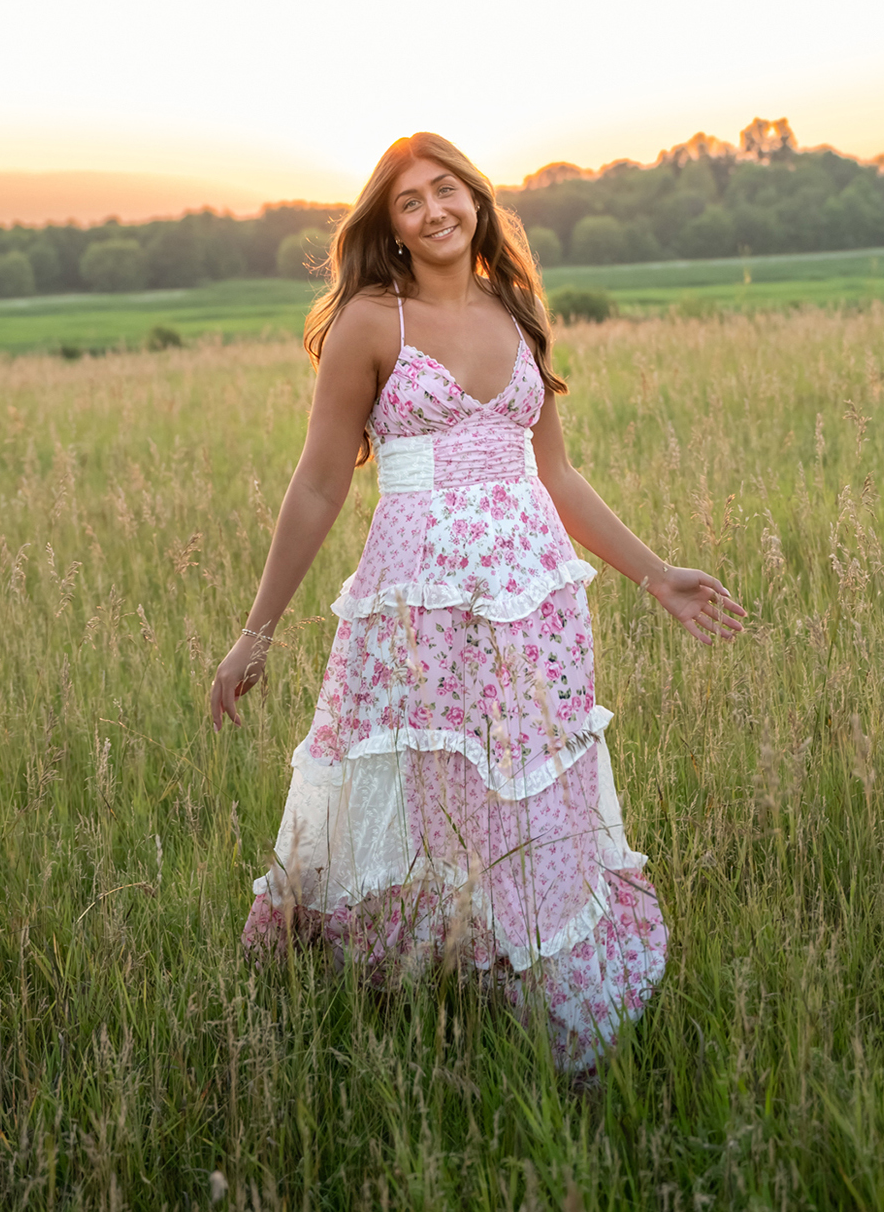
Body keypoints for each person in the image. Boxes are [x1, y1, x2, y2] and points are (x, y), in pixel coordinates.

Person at [210, 133, 745, 1070]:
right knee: (425, 783)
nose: (433, 211)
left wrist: (656, 574)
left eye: (445, 189)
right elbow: (317, 485)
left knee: (528, 780)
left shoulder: (518, 311)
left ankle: (528, 977)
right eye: (409, 202)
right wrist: (255, 632)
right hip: (417, 603)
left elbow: (558, 476)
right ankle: (428, 971)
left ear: (476, 198)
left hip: (533, 601)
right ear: (391, 229)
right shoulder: (372, 324)